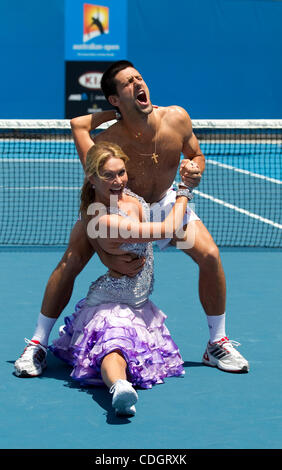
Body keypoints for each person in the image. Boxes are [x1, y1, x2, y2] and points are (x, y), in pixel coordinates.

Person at [14, 60, 249, 378]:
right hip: (122, 211)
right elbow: (94, 193)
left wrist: (195, 167)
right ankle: (37, 344)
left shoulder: (177, 118)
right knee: (71, 260)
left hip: (168, 204)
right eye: (128, 83)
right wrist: (103, 247)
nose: (139, 83)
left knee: (210, 256)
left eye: (139, 77)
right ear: (114, 99)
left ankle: (216, 343)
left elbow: (195, 153)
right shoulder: (109, 140)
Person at [49, 141, 191, 416]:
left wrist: (107, 257)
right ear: (92, 178)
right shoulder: (104, 219)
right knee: (113, 348)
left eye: (121, 172)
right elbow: (167, 228)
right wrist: (184, 190)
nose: (119, 180)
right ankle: (119, 387)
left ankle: (121, 380)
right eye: (109, 175)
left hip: (139, 303)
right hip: (112, 301)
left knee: (125, 351)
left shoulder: (125, 198)